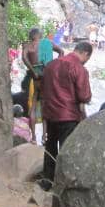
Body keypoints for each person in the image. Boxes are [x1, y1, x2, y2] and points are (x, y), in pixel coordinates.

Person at [40, 41, 93, 188]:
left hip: (51, 113)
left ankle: (47, 181)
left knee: (50, 147)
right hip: (68, 115)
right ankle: (63, 183)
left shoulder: (51, 65)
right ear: (85, 54)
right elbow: (84, 96)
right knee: (66, 149)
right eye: (87, 59)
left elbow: (43, 91)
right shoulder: (79, 68)